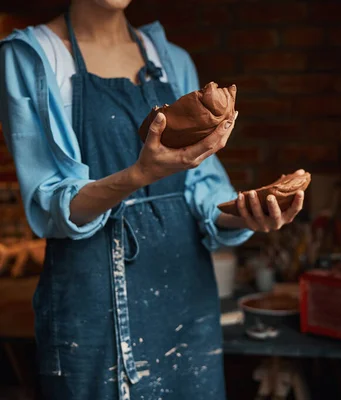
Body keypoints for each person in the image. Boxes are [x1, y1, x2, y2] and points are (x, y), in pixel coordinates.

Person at [0, 0, 305, 399]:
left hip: (186, 306)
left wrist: (246, 215)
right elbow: (53, 206)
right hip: (93, 318)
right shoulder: (32, 57)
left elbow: (203, 193)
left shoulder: (172, 60)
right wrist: (139, 175)